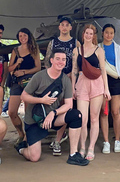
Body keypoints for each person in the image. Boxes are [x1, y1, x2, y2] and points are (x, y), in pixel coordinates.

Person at [17, 49, 89, 166]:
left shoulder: (65, 80)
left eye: (63, 59)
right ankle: (21, 149)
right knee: (34, 157)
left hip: (52, 117)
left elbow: (68, 105)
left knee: (76, 115)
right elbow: (24, 96)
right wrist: (41, 100)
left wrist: (53, 113)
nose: (61, 62)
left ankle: (73, 154)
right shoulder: (39, 76)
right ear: (51, 60)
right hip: (35, 119)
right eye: (58, 59)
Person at [72, 24, 110, 161]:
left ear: (93, 36)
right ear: (83, 34)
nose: (88, 35)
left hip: (97, 83)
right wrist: (72, 87)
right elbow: (74, 70)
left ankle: (91, 148)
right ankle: (82, 147)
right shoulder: (76, 50)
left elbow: (103, 70)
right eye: (86, 33)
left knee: (94, 118)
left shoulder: (99, 51)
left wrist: (106, 88)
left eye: (91, 33)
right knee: (82, 119)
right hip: (82, 83)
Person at [44, 16, 80, 154]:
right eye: (62, 25)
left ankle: (58, 140)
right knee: (55, 106)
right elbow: (47, 60)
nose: (64, 27)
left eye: (67, 25)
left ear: (71, 27)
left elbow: (77, 62)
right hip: (54, 79)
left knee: (66, 108)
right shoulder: (53, 43)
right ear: (59, 27)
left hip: (69, 79)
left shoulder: (75, 43)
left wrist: (73, 78)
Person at [98, 23, 120, 154]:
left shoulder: (117, 48)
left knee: (115, 112)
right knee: (104, 112)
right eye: (106, 32)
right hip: (101, 81)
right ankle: (106, 141)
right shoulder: (98, 48)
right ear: (102, 33)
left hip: (116, 81)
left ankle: (117, 140)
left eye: (111, 33)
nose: (109, 35)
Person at [7, 28, 42, 144]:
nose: (22, 38)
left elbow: (38, 67)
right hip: (16, 83)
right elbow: (9, 68)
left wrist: (24, 72)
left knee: (28, 112)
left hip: (30, 82)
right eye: (20, 36)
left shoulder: (34, 49)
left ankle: (28, 136)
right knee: (11, 112)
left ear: (29, 36)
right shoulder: (15, 50)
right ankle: (20, 133)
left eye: (24, 35)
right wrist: (17, 63)